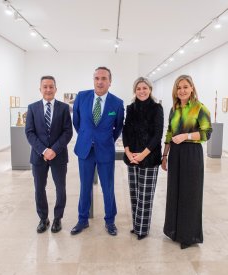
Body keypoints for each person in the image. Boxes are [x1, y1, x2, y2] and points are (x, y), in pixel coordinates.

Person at [71, 66, 124, 236]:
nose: (100, 81)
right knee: (85, 186)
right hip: (85, 149)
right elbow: (77, 122)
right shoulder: (82, 97)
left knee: (107, 187)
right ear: (93, 80)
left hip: (105, 150)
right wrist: (88, 137)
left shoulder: (117, 103)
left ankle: (110, 221)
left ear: (110, 81)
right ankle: (82, 219)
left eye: (104, 78)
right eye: (97, 78)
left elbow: (118, 128)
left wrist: (105, 140)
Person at [161, 75, 212, 249]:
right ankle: (173, 231)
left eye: (185, 87)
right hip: (175, 153)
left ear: (192, 88)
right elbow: (169, 132)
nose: (182, 90)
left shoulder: (200, 108)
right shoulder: (174, 109)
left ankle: (189, 235)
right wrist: (165, 155)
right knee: (175, 192)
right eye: (179, 87)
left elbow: (207, 134)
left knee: (190, 194)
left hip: (192, 153)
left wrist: (186, 136)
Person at [25, 75, 73, 234]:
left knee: (61, 188)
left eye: (51, 86)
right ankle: (43, 218)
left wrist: (54, 150)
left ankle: (58, 218)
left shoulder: (64, 108)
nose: (48, 89)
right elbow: (30, 133)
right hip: (39, 156)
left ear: (56, 89)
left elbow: (68, 132)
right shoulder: (32, 108)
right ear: (40, 89)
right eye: (45, 86)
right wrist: (44, 150)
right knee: (39, 188)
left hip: (58, 156)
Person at [122, 77, 163, 240]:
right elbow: (126, 131)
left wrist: (143, 154)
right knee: (135, 193)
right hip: (132, 157)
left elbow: (157, 134)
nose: (142, 91)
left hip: (149, 157)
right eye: (138, 88)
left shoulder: (157, 108)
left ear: (150, 89)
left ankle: (142, 230)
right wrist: (127, 151)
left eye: (144, 88)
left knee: (145, 195)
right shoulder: (130, 108)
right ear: (135, 90)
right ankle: (136, 225)